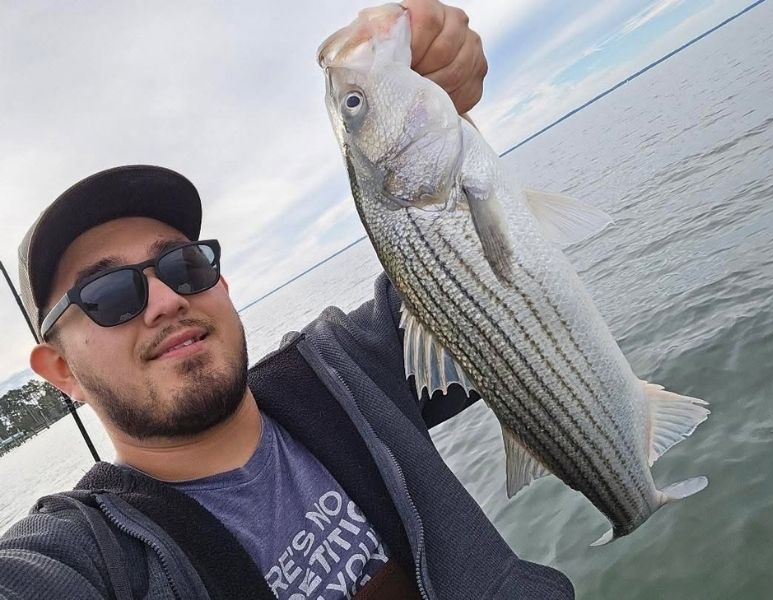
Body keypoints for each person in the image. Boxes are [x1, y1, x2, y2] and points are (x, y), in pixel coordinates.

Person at [0, 1, 574, 598]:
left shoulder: (349, 367)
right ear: (62, 370)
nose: (167, 299)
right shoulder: (91, 560)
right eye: (110, 293)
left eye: (184, 264)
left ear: (221, 284)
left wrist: (429, 92)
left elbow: (489, 277)